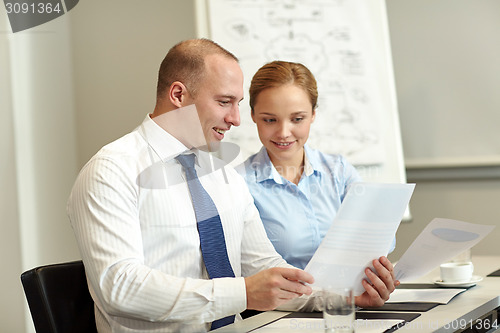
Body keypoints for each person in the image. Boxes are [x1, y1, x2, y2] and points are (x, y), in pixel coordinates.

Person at [67, 40, 396, 332]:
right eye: (225, 102)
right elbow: (120, 288)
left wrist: (344, 297)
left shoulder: (221, 173)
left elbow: (265, 268)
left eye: (238, 103)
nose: (237, 119)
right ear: (179, 95)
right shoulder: (111, 170)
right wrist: (242, 293)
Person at [238, 60, 399, 300]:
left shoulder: (339, 171)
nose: (283, 132)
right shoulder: (239, 183)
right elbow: (257, 275)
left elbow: (381, 237)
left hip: (352, 302)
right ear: (252, 115)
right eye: (270, 120)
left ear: (313, 114)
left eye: (297, 119)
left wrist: (375, 275)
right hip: (281, 316)